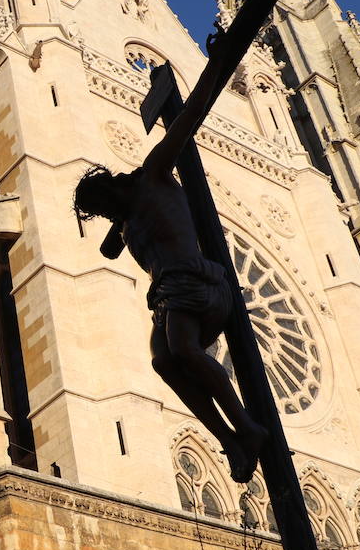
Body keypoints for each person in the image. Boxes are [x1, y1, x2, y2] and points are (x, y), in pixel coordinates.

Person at [72, 75, 267, 483]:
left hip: (196, 282)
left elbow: (188, 119)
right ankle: (228, 439)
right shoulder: (124, 225)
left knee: (185, 351)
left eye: (106, 206)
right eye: (103, 213)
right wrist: (118, 225)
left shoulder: (154, 173)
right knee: (164, 361)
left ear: (111, 186)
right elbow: (108, 250)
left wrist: (203, 83)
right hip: (165, 297)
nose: (109, 215)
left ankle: (247, 427)